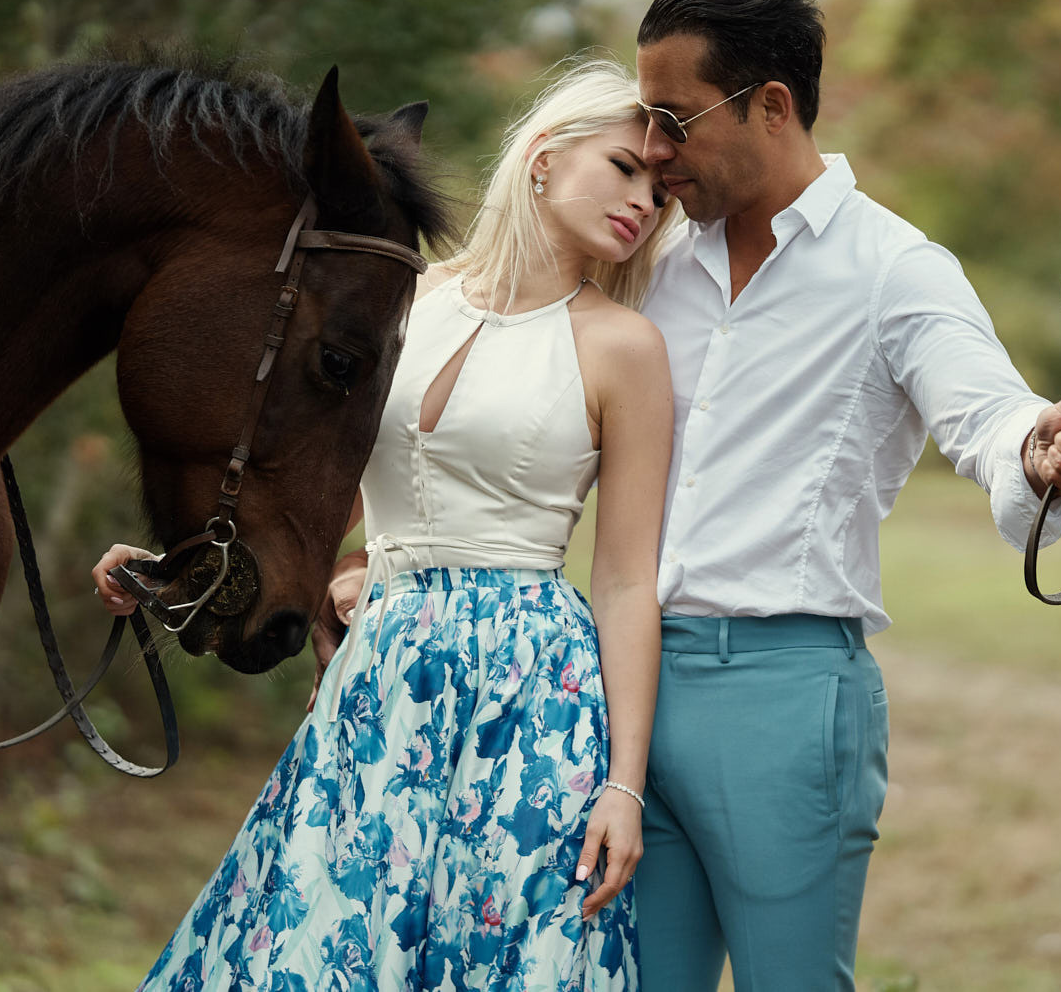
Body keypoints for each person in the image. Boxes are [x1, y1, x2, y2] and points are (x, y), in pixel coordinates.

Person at [93, 58, 676, 990]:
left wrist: (623, 787)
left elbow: (625, 580)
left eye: (660, 192)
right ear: (542, 158)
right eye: (625, 168)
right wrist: (185, 563)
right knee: (321, 948)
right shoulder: (407, 297)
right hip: (385, 670)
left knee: (494, 958)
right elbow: (314, 478)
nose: (645, 203)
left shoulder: (624, 347)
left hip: (534, 688)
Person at [627, 0, 1061, 991]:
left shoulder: (894, 266)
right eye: (644, 119)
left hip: (787, 698)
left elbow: (989, 418)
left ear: (770, 105)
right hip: (625, 687)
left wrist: (1044, 447)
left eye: (674, 118)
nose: (652, 151)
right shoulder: (650, 263)